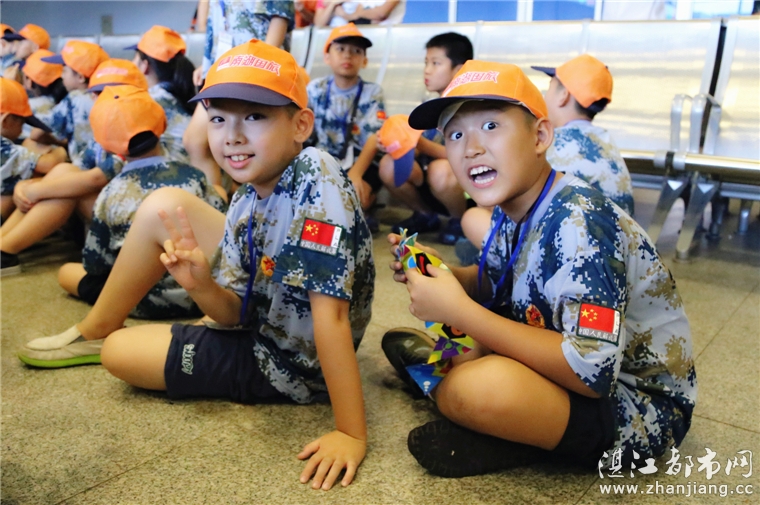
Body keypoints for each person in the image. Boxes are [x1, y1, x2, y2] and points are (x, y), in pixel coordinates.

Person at [18, 40, 375, 491]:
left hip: (291, 366)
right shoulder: (245, 199)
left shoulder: (316, 174)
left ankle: (100, 333)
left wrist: (350, 432)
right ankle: (96, 326)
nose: (232, 136)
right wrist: (200, 284)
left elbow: (332, 315)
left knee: (118, 352)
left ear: (300, 124)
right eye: (218, 118)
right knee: (162, 205)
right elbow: (234, 313)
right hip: (261, 326)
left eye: (255, 116)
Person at [382, 60, 696, 478]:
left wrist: (460, 311)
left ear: (541, 136)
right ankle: (482, 406)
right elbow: (495, 281)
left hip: (634, 407)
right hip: (558, 352)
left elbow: (591, 373)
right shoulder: (512, 205)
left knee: (470, 386)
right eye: (455, 134)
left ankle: (462, 402)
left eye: (490, 126)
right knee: (466, 350)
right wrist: (445, 275)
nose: (470, 147)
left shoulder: (581, 223)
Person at [459, 54, 634, 263]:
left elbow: (508, 201)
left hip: (575, 252)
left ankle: (493, 259)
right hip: (616, 249)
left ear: (563, 96)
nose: (544, 95)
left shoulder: (555, 143)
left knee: (473, 217)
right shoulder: (605, 140)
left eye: (550, 88)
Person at [0, 59, 151, 267]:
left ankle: (5, 250)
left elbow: (95, 179)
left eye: (101, 95)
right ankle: (3, 245)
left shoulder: (141, 134)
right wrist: (27, 186)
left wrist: (34, 189)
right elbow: (75, 169)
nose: (92, 100)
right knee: (64, 172)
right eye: (95, 94)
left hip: (139, 230)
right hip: (116, 213)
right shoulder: (104, 135)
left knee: (69, 188)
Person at [183, 0, 296, 194]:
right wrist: (209, 65)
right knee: (194, 141)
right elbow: (218, 28)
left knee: (257, 149)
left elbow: (279, 20)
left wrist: (258, 68)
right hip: (224, 73)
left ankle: (241, 200)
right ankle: (221, 202)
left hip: (256, 75)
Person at [379, 31, 472, 244]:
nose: (427, 70)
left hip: (460, 188)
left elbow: (464, 155)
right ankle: (425, 215)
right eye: (426, 63)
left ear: (458, 70)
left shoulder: (468, 109)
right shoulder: (429, 106)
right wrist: (396, 143)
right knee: (388, 164)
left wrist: (419, 143)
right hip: (430, 183)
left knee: (441, 170)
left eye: (435, 63)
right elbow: (417, 148)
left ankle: (460, 221)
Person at [307, 23, 386, 229]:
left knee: (352, 200)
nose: (347, 55)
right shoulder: (315, 89)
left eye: (356, 51)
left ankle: (367, 202)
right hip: (323, 160)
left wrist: (356, 174)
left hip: (361, 162)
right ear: (327, 56)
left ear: (364, 60)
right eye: (340, 49)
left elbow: (375, 138)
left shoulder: (372, 92)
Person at [0, 77, 66, 230]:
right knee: (30, 180)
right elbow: (49, 163)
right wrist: (60, 149)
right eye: (22, 123)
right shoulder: (4, 149)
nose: (21, 130)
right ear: (6, 120)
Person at [32, 40, 109, 166]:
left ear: (80, 77)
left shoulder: (76, 98)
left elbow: (36, 133)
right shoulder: (108, 97)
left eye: (64, 71)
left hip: (82, 169)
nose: (61, 76)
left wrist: (63, 143)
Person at [128, 25, 196, 166]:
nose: (131, 64)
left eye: (135, 59)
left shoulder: (147, 103)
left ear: (144, 66)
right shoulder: (182, 94)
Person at [314, 0, 405, 27]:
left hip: (387, 36)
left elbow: (380, 15)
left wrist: (352, 15)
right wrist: (332, 4)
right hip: (335, 37)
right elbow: (318, 23)